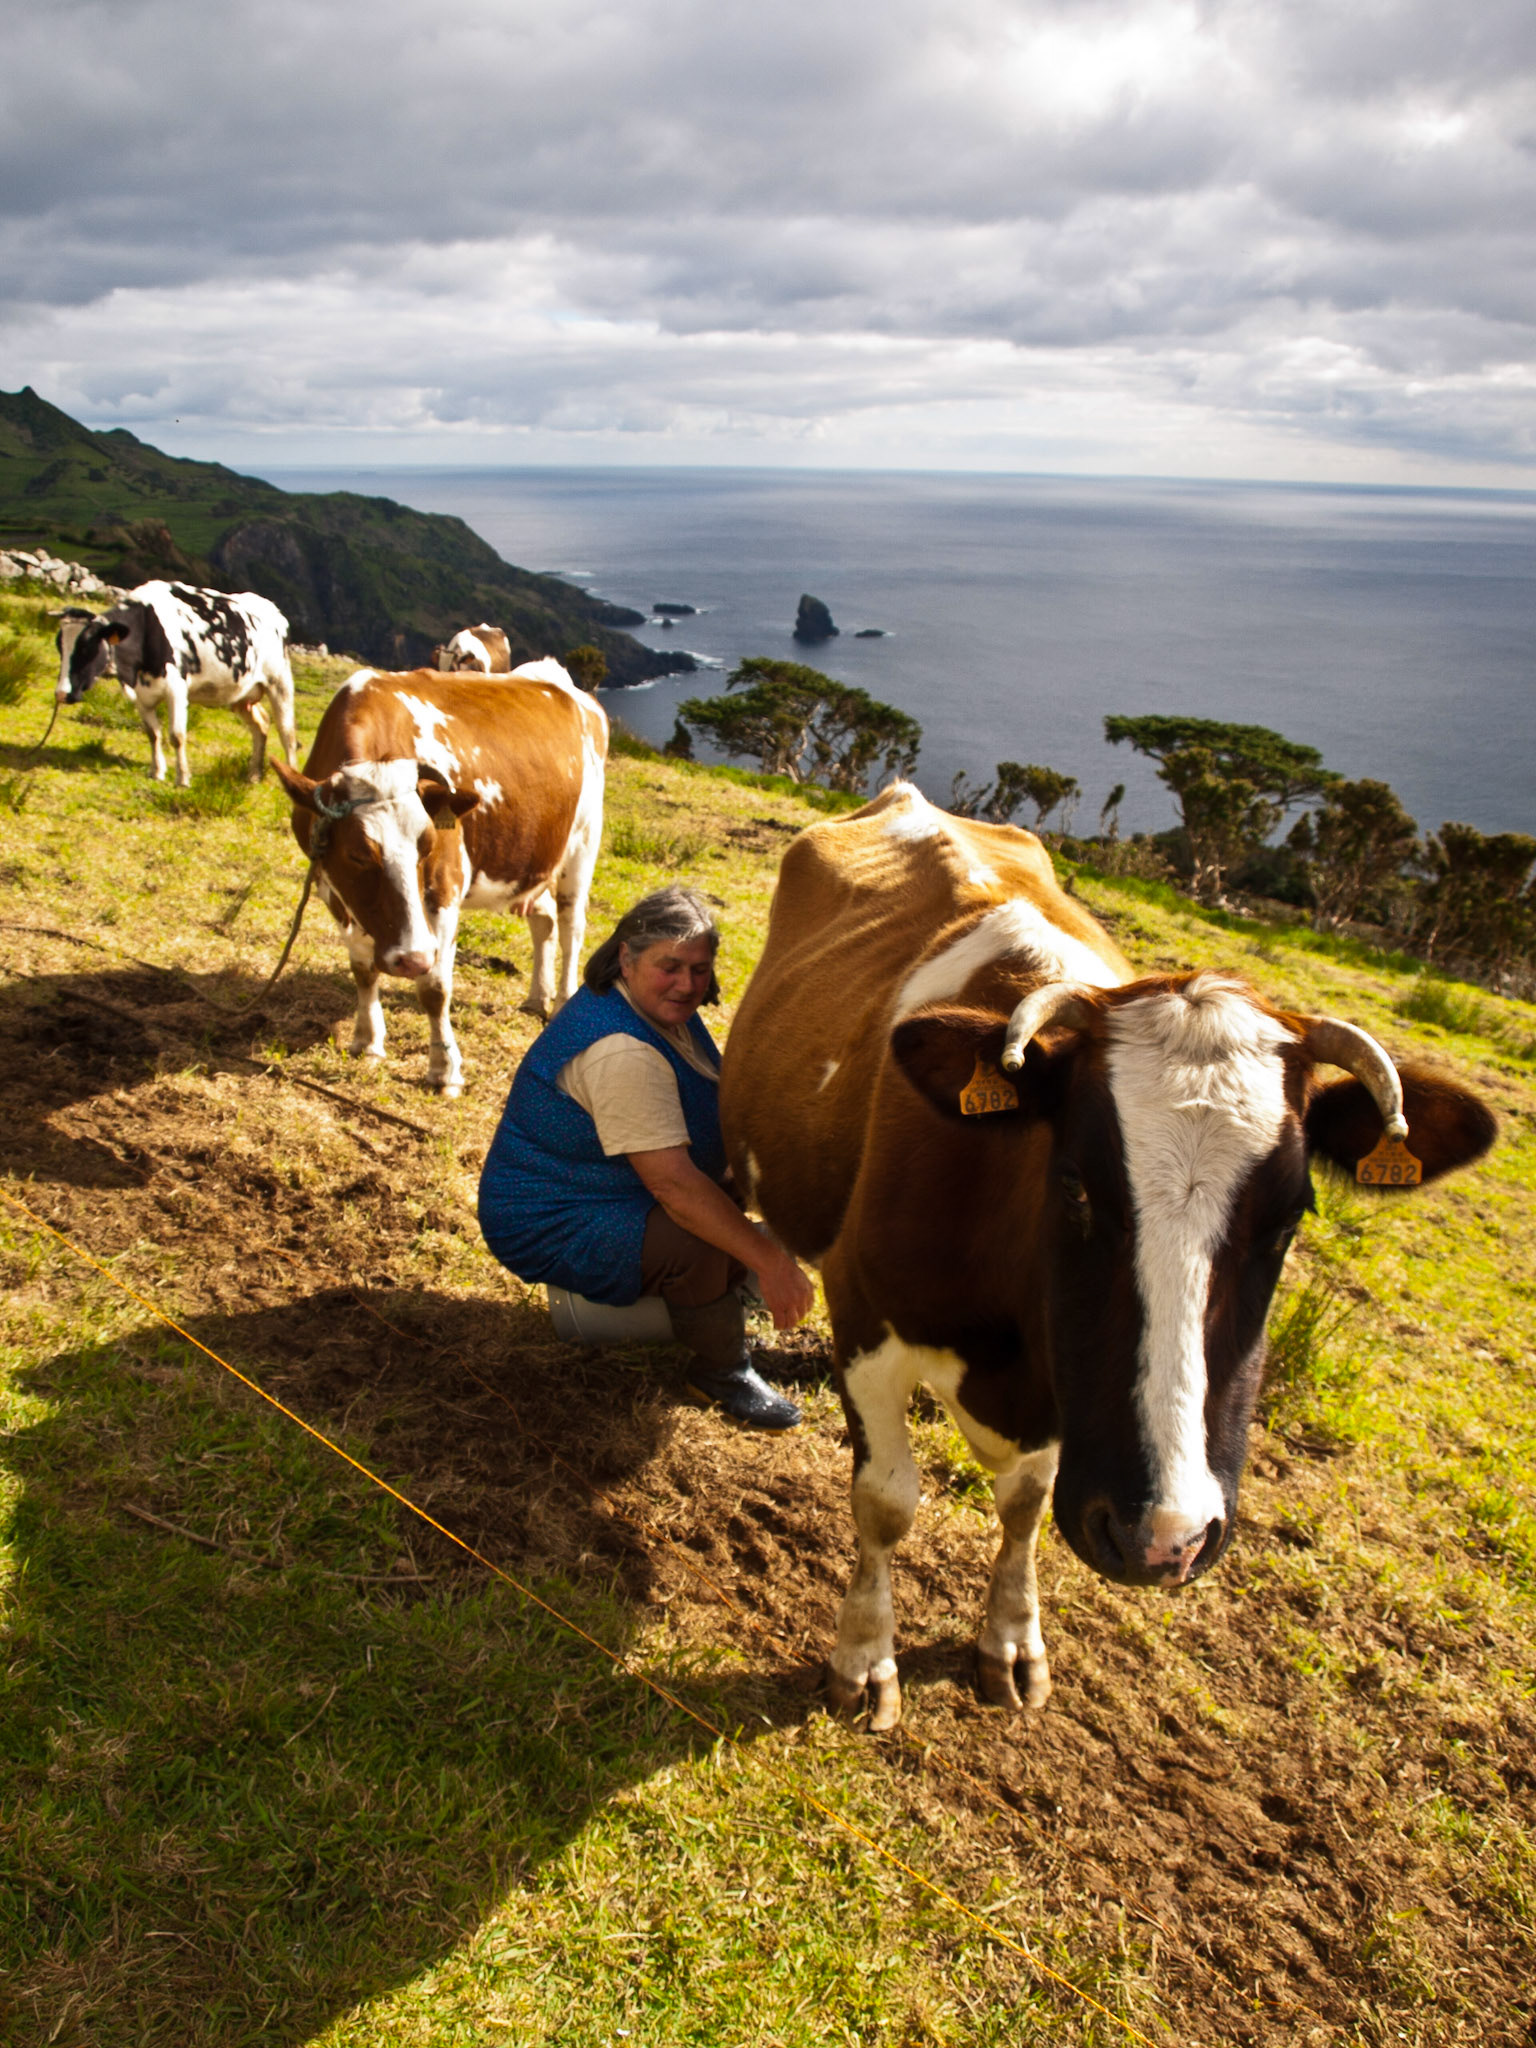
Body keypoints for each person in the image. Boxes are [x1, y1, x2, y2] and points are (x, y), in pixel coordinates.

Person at [478, 885, 815, 1429]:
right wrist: (770, 1260)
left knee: (729, 1209)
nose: (688, 985)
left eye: (700, 969)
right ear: (627, 959)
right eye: (671, 967)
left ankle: (728, 1284)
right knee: (697, 1241)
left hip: (614, 1184)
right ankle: (720, 1372)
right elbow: (676, 1189)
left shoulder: (659, 1009)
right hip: (553, 1215)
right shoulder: (620, 1051)